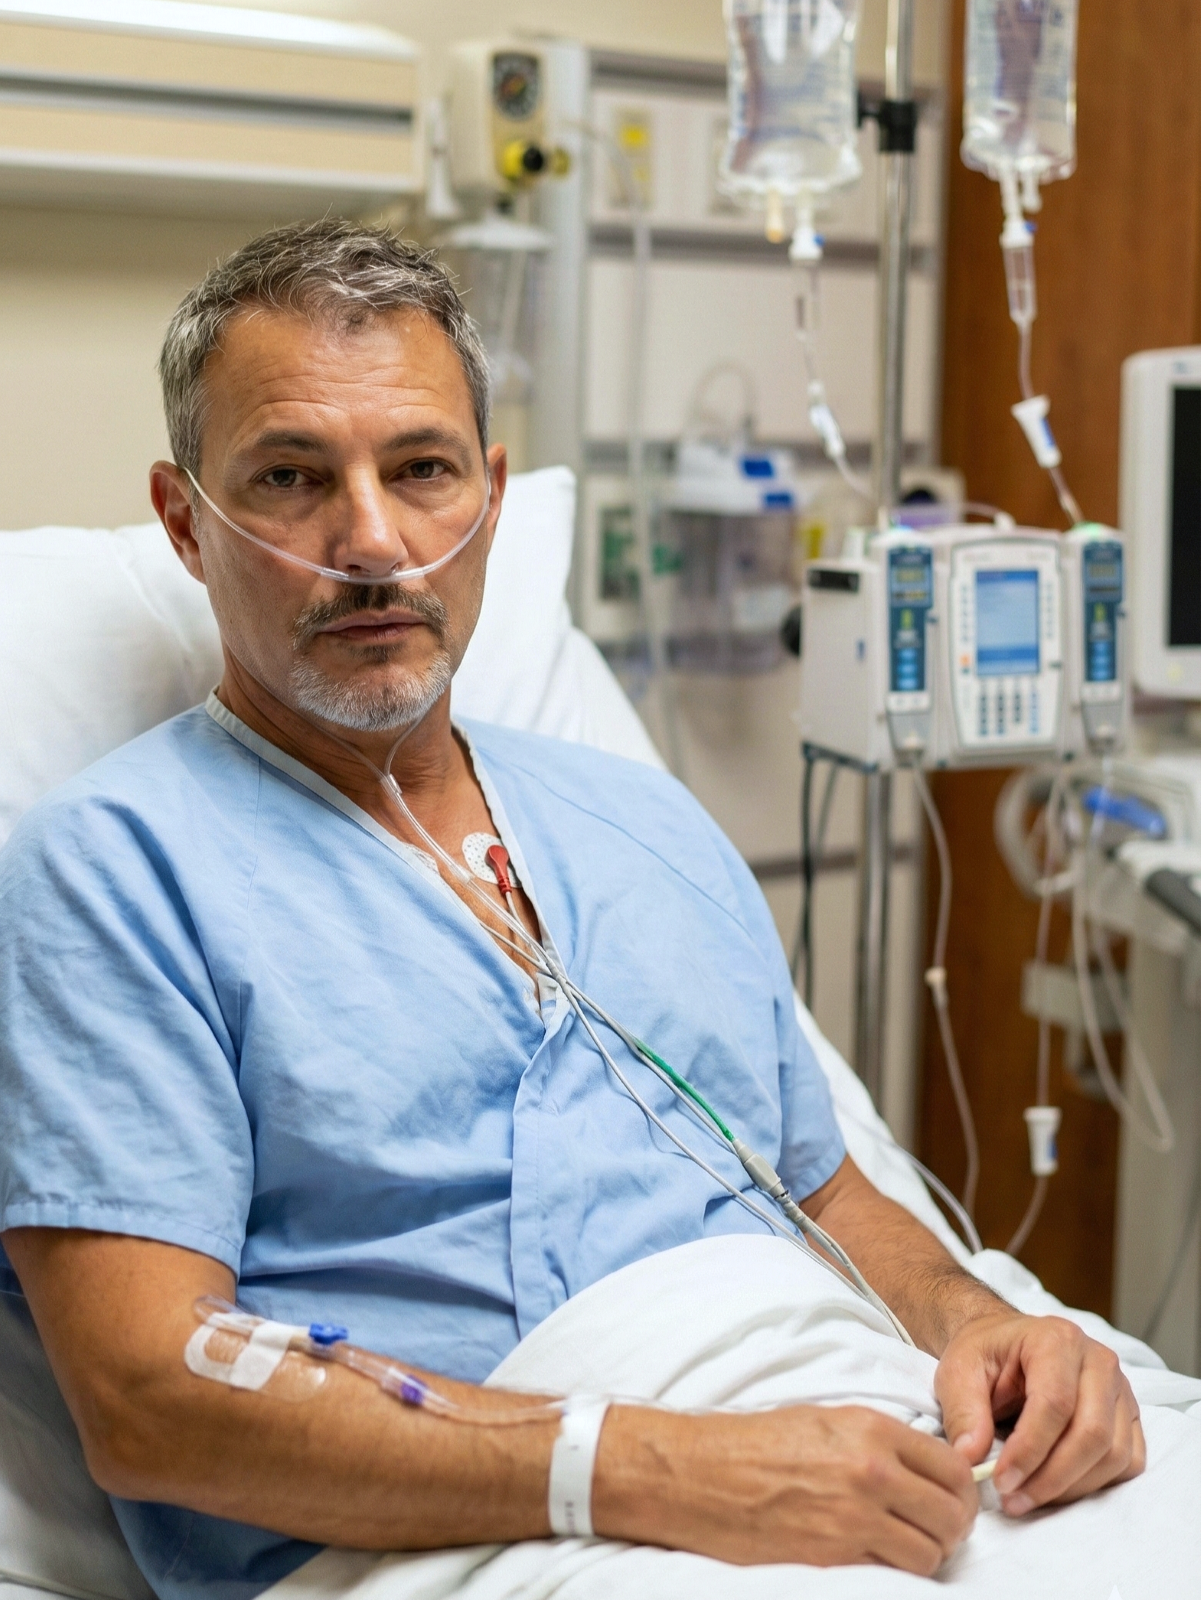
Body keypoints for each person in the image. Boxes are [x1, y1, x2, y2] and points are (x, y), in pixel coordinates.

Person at [0, 221, 1142, 1600]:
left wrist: (990, 1323)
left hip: (857, 1432)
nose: (372, 540)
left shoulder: (641, 824)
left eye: (420, 470)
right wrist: (656, 1469)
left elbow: (825, 1186)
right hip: (462, 1538)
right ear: (188, 523)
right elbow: (148, 1393)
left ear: (487, 494)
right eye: (293, 478)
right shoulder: (112, 875)